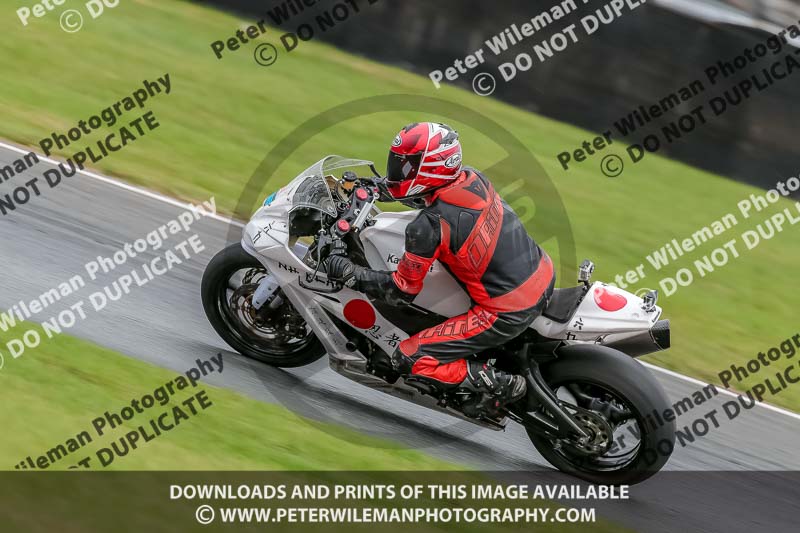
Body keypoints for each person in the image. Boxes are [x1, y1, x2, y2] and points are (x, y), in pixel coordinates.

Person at [325, 122, 555, 416]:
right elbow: (419, 192)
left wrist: (349, 273)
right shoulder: (473, 178)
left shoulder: (428, 226)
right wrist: (375, 187)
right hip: (541, 272)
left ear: (430, 167)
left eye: (406, 167)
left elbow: (401, 291)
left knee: (411, 357)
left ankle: (503, 384)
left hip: (505, 310)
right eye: (397, 163)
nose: (398, 171)